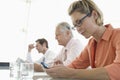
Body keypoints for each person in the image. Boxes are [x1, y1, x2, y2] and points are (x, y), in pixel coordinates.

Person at [45, 0, 120, 80]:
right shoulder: (91, 44)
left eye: (79, 22)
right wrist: (60, 70)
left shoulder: (117, 35)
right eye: (75, 26)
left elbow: (118, 70)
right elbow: (74, 66)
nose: (78, 29)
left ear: (94, 15)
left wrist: (70, 73)